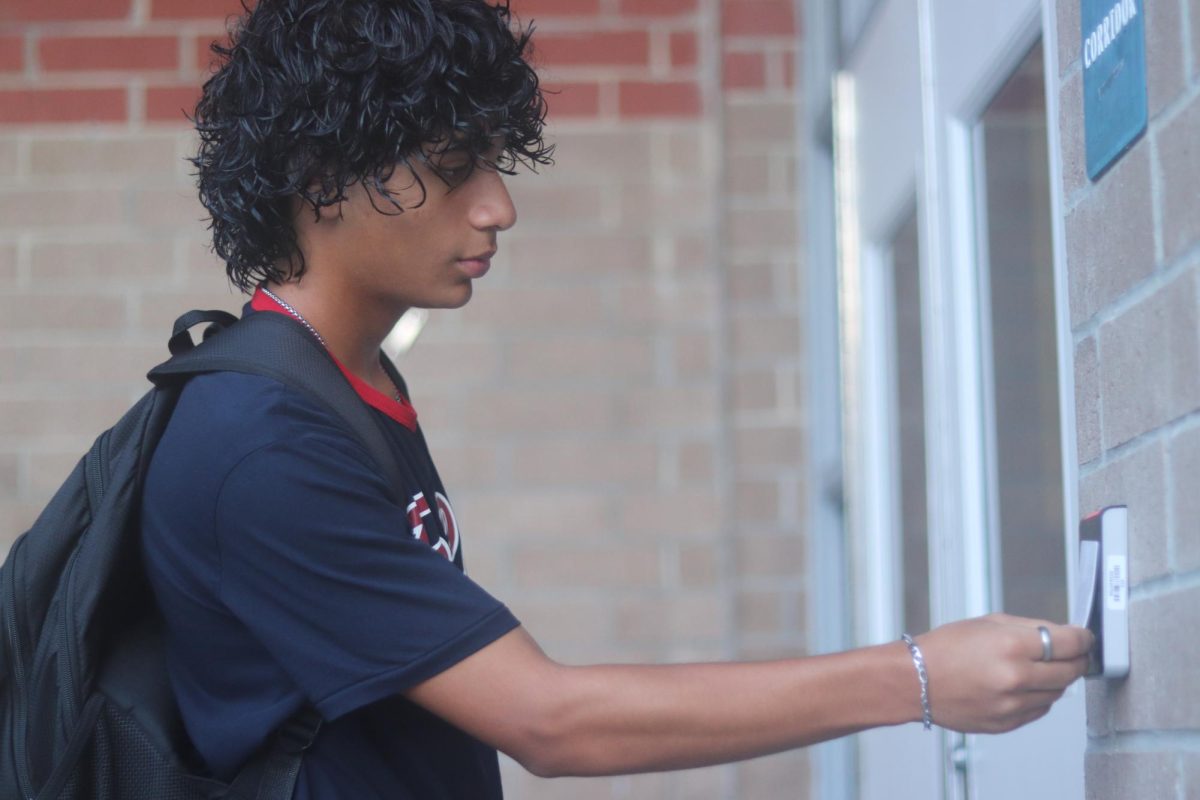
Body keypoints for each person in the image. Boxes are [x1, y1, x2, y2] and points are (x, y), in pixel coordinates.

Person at [139, 0, 1094, 797]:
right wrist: (918, 677)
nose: (497, 206)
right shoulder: (259, 442)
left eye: (494, 163)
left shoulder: (347, 384)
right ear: (324, 180)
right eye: (453, 163)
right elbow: (549, 723)